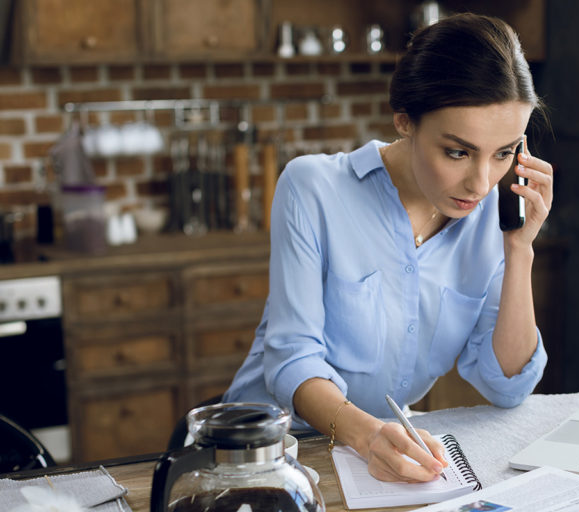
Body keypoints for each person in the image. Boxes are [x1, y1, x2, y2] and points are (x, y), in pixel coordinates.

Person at [224, 12, 553, 484]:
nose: (480, 183)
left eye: (503, 154)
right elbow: (292, 359)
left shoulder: (489, 219)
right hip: (264, 451)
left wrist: (520, 249)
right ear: (405, 122)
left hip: (372, 454)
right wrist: (369, 436)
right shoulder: (313, 187)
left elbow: (505, 385)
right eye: (458, 152)